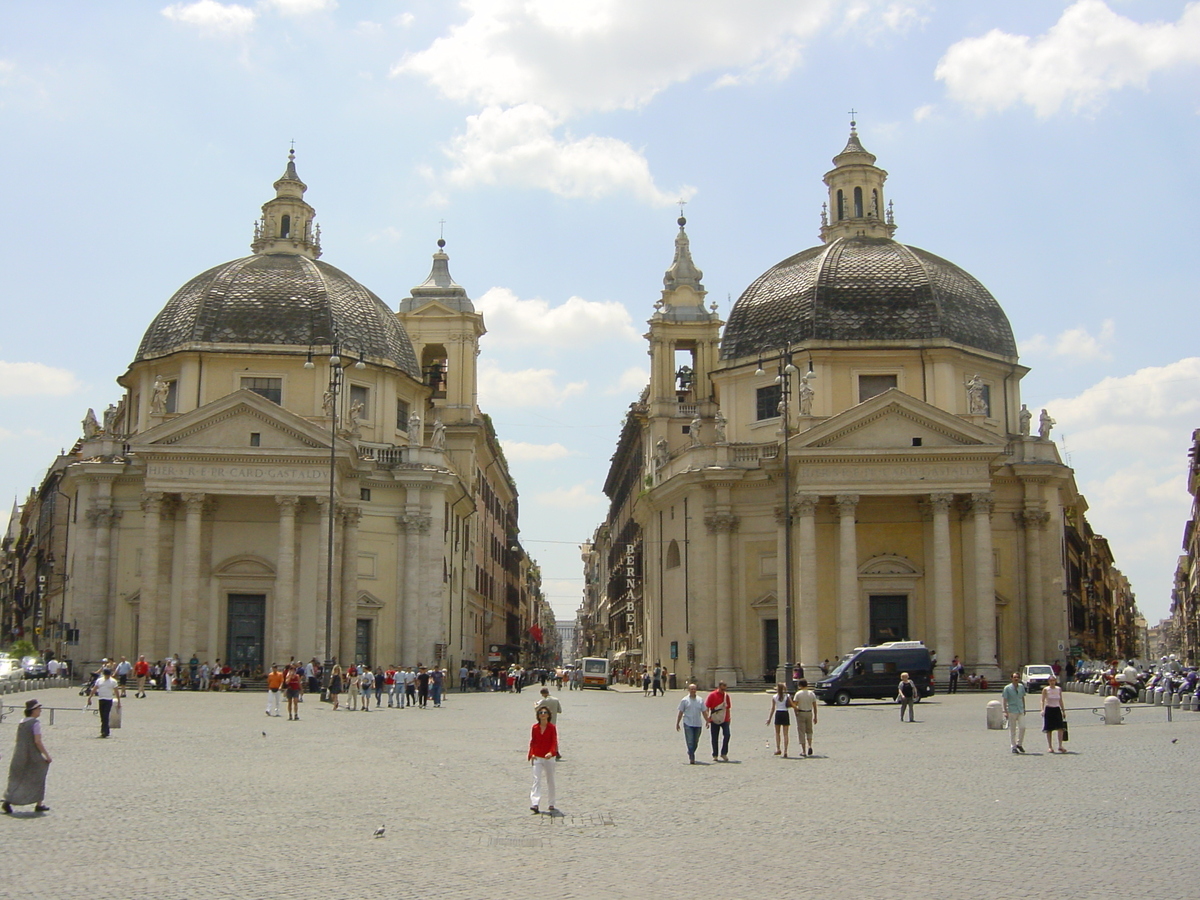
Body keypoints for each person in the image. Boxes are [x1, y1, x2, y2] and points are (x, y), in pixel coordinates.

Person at [3, 699, 52, 814]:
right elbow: (37, 741)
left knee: (17, 778)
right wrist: (46, 755)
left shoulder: (22, 722)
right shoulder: (35, 723)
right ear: (33, 711)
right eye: (38, 709)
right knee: (39, 775)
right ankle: (39, 804)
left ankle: (8, 801)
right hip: (32, 754)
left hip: (19, 753)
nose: (40, 711)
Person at [528, 706, 559, 814]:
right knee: (536, 780)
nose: (543, 714)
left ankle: (551, 803)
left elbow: (554, 741)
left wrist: (551, 752)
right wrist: (531, 754)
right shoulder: (535, 727)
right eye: (541, 712)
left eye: (545, 712)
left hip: (549, 758)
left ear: (548, 715)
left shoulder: (552, 727)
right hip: (537, 756)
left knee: (550, 780)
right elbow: (533, 741)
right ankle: (535, 803)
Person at [675, 683, 710, 764]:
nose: (693, 691)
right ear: (688, 690)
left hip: (698, 723)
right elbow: (680, 712)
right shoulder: (684, 700)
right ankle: (692, 756)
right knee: (690, 740)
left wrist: (707, 721)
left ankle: (691, 751)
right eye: (691, 689)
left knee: (696, 741)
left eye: (694, 689)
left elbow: (704, 712)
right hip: (688, 723)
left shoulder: (700, 700)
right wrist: (677, 723)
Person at [88, 668, 122, 738]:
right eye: (106, 675)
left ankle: (104, 731)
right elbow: (94, 689)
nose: (107, 676)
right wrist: (90, 697)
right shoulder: (99, 680)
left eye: (108, 675)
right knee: (102, 716)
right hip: (101, 699)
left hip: (109, 700)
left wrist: (119, 701)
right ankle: (106, 730)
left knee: (106, 715)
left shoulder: (113, 681)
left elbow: (116, 691)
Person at [704, 681, 732, 761]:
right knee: (714, 737)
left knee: (727, 735)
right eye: (723, 688)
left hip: (724, 718)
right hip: (714, 718)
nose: (724, 690)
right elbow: (707, 707)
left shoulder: (726, 696)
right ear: (719, 687)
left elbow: (728, 708)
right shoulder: (712, 695)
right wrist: (707, 718)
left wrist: (729, 718)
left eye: (725, 688)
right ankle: (715, 754)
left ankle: (724, 753)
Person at [765, 683, 794, 757]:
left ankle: (778, 749)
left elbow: (773, 708)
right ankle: (785, 751)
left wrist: (769, 719)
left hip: (778, 713)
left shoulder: (774, 697)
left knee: (777, 733)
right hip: (785, 713)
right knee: (786, 734)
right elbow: (792, 704)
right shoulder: (787, 696)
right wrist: (797, 710)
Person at [1041, 674, 1068, 753]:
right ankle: (1050, 746)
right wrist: (1042, 709)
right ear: (1048, 681)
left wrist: (1063, 711)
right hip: (1049, 709)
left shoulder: (1058, 689)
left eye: (1053, 680)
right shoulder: (1045, 689)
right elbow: (1042, 700)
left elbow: (1060, 700)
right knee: (1049, 729)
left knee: (1060, 728)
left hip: (1057, 709)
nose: (1052, 682)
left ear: (1055, 681)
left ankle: (1060, 745)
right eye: (1050, 681)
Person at [792, 679, 818, 757]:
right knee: (809, 730)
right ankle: (810, 746)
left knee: (801, 731)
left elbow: (794, 705)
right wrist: (815, 716)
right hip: (809, 713)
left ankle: (803, 750)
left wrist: (796, 712)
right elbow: (815, 706)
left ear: (800, 685)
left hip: (801, 712)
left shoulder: (798, 694)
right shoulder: (811, 693)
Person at [1002, 672, 1027, 754]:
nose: (1016, 679)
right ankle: (1013, 746)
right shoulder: (1007, 688)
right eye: (1014, 677)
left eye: (1017, 677)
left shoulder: (1021, 687)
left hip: (1020, 709)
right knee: (1012, 730)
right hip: (1012, 710)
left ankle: (1019, 743)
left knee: (1023, 727)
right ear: (1011, 678)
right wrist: (1005, 711)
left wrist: (1024, 707)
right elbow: (1005, 700)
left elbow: (1022, 697)